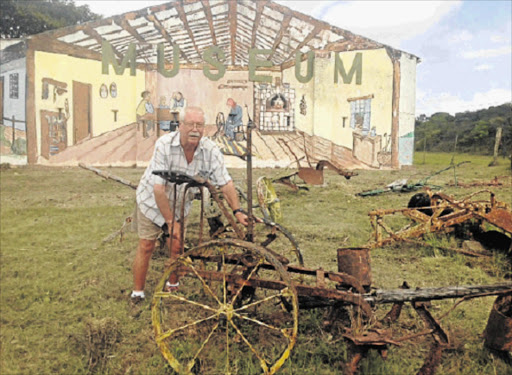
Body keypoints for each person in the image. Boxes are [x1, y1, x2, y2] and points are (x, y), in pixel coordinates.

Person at [131, 106, 249, 303]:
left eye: (200, 125)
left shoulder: (209, 150)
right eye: (191, 124)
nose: (195, 129)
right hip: (151, 202)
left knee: (176, 245)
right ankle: (138, 292)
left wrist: (237, 211)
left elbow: (225, 182)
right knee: (146, 245)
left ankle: (173, 285)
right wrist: (169, 222)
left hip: (179, 204)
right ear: (181, 125)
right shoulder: (164, 145)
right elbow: (159, 189)